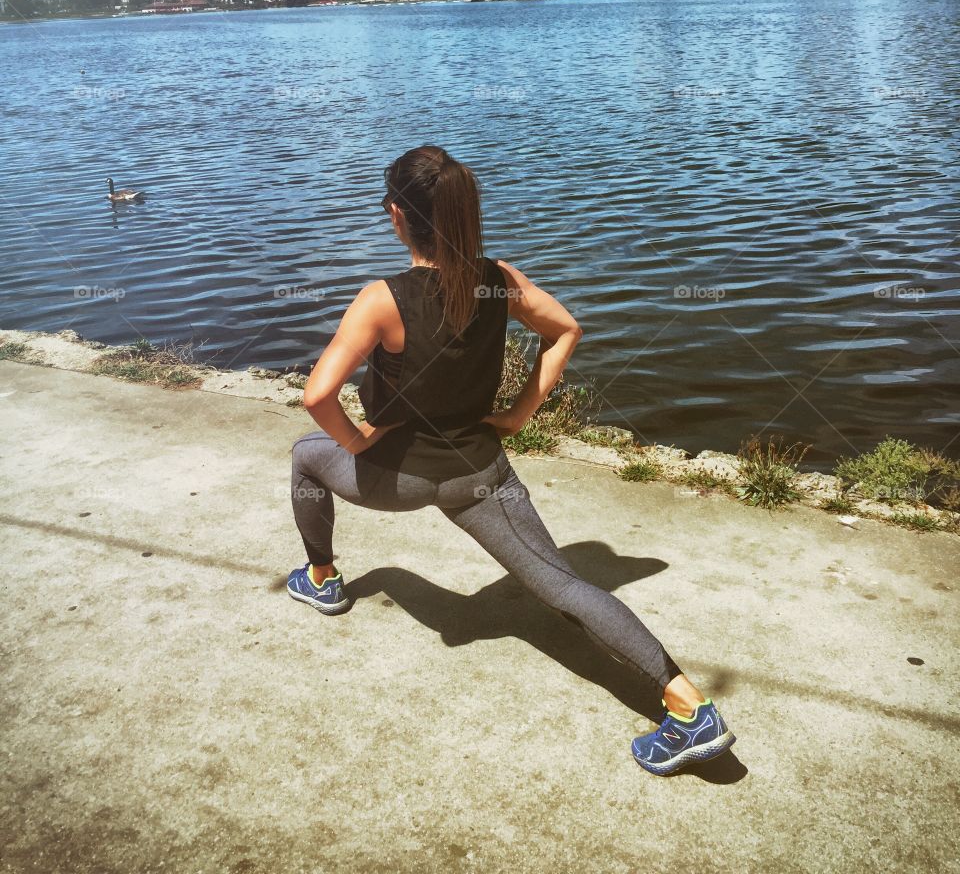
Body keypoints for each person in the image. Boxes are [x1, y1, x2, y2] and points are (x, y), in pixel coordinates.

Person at [288, 144, 736, 776]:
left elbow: (317, 396)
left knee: (308, 458)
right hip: (480, 470)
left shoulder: (381, 300)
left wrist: (358, 443)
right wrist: (522, 412)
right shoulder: (497, 277)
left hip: (405, 477)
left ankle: (323, 577)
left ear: (397, 215)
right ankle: (689, 709)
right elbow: (567, 330)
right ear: (464, 211)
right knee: (563, 584)